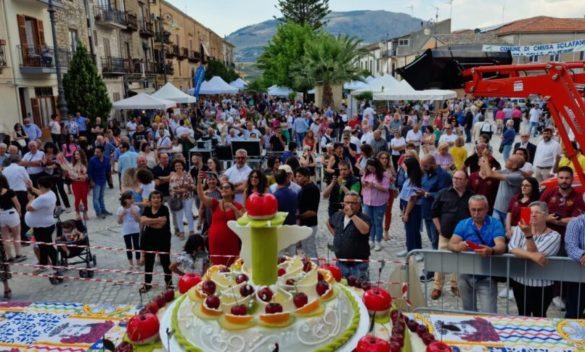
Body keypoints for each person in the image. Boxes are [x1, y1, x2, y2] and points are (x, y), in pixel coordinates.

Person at [448, 195, 507, 313]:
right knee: (468, 312)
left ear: (486, 209)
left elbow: (501, 245)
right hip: (465, 274)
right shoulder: (463, 224)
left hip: (487, 276)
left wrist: (491, 250)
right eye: (473, 210)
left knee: (489, 313)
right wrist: (458, 247)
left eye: (479, 210)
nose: (476, 213)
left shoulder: (495, 224)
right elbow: (451, 244)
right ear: (469, 209)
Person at [508, 201, 561, 317]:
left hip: (542, 284)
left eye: (537, 212)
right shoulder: (519, 228)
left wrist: (528, 236)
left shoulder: (554, 236)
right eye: (531, 212)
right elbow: (512, 248)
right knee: (523, 314)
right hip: (520, 280)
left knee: (539, 315)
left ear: (546, 216)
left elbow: (538, 255)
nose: (533, 215)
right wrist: (532, 256)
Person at [430, 170, 474, 299]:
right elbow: (434, 212)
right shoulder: (443, 193)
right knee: (441, 260)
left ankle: (455, 285)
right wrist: (439, 229)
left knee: (459, 261)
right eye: (454, 178)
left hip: (462, 236)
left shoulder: (471, 196)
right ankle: (437, 287)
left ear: (466, 181)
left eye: (459, 179)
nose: (455, 180)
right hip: (445, 234)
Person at [197, 172, 243, 266]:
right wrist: (199, 182)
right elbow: (201, 196)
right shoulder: (215, 203)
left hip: (231, 240)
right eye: (222, 187)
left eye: (227, 187)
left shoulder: (238, 206)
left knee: (231, 266)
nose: (223, 189)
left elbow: (241, 222)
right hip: (215, 240)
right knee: (216, 266)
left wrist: (233, 208)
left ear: (233, 191)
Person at [327, 191, 371, 280]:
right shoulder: (338, 215)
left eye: (353, 203)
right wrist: (336, 235)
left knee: (358, 290)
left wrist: (351, 215)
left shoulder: (364, 218)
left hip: (358, 265)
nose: (349, 205)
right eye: (347, 202)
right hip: (341, 263)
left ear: (359, 205)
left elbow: (365, 230)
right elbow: (328, 222)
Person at [139, 191, 172, 292]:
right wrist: (156, 220)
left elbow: (161, 225)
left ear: (161, 200)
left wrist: (148, 222)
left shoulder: (164, 209)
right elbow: (142, 220)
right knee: (149, 262)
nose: (156, 199)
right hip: (149, 240)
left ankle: (169, 283)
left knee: (165, 262)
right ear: (150, 199)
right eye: (154, 197)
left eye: (158, 198)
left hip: (163, 239)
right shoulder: (147, 208)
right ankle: (147, 284)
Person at [25, 176, 59, 276]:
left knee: (44, 246)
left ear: (40, 185)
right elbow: (41, 193)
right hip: (46, 224)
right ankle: (52, 263)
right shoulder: (50, 193)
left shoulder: (43, 198)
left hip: (42, 226)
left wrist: (30, 199)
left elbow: (29, 208)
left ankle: (48, 265)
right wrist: (31, 188)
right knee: (46, 245)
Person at [480, 154, 524, 225]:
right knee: (495, 231)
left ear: (514, 166)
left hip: (507, 212)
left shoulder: (518, 176)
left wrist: (485, 157)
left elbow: (489, 174)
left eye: (509, 160)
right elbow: (487, 172)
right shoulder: (507, 171)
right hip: (497, 208)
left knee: (505, 233)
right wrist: (485, 158)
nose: (506, 160)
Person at [361, 158, 390, 251]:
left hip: (379, 202)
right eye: (369, 168)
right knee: (369, 222)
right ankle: (371, 240)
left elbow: (385, 188)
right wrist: (364, 183)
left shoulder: (384, 175)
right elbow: (363, 183)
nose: (370, 170)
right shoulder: (366, 174)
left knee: (378, 222)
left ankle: (378, 241)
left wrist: (374, 185)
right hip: (367, 201)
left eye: (372, 168)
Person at [398, 157, 424, 258]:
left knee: (414, 230)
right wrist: (404, 211)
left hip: (414, 208)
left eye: (405, 165)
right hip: (406, 206)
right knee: (408, 230)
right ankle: (409, 248)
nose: (403, 166)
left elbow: (413, 198)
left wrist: (407, 213)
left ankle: (417, 250)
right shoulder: (409, 177)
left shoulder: (417, 179)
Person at [2, 155, 31, 244]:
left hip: (10, 194)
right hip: (21, 193)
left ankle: (18, 237)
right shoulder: (21, 168)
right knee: (23, 214)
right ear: (18, 161)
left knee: (16, 215)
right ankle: (24, 237)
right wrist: (31, 190)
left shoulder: (5, 170)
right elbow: (28, 180)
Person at [296, 167, 320, 259]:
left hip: (309, 224)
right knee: (306, 250)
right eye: (296, 176)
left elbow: (313, 212)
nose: (297, 178)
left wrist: (297, 216)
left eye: (300, 176)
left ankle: (315, 269)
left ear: (307, 177)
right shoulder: (304, 188)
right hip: (305, 224)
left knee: (310, 250)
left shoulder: (311, 189)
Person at [0, 174, 24, 264]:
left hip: (0, 215)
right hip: (10, 213)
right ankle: (18, 254)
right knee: (17, 235)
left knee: (5, 237)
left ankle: (10, 257)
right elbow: (17, 204)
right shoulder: (10, 191)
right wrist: (19, 213)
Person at [565, 214, 585, 318]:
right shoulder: (576, 222)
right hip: (578, 278)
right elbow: (571, 247)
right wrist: (582, 255)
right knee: (573, 316)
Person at [169, 159, 196, 239]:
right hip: (177, 199)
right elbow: (170, 189)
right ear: (174, 167)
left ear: (182, 166)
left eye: (179, 165)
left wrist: (186, 189)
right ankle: (181, 232)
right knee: (179, 216)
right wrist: (177, 191)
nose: (178, 167)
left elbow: (192, 186)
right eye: (176, 166)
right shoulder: (172, 177)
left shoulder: (187, 175)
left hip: (188, 197)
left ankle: (191, 230)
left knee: (188, 214)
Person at [60, 150, 90, 220]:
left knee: (84, 198)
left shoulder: (86, 164)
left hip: (84, 183)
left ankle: (85, 212)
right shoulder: (72, 164)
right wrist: (79, 176)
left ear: (81, 155)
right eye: (75, 154)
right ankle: (77, 213)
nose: (76, 156)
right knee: (77, 199)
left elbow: (89, 172)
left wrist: (85, 176)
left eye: (78, 154)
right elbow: (70, 174)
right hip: (76, 183)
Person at [117, 191, 141, 272]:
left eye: (132, 198)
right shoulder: (120, 209)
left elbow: (139, 220)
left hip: (135, 230)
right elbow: (119, 222)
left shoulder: (136, 208)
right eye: (130, 198)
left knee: (137, 246)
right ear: (125, 200)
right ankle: (130, 264)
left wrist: (135, 215)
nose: (132, 200)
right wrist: (121, 215)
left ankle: (138, 263)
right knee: (128, 247)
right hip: (126, 231)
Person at [88, 146, 111, 219]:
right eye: (95, 152)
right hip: (96, 181)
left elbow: (108, 169)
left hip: (103, 180)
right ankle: (99, 212)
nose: (96, 153)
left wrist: (109, 179)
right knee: (96, 198)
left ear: (102, 152)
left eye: (98, 152)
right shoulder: (92, 160)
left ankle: (103, 210)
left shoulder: (106, 159)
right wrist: (91, 181)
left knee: (101, 197)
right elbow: (89, 172)